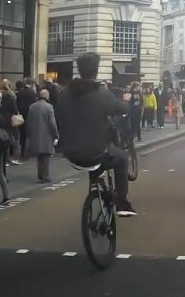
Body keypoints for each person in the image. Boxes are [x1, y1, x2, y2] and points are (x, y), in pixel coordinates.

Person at [57, 53, 136, 217]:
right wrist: (126, 100)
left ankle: (96, 184)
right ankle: (122, 202)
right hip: (95, 152)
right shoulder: (101, 93)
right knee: (121, 158)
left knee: (91, 153)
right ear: (96, 70)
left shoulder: (64, 93)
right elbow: (121, 109)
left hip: (71, 152)